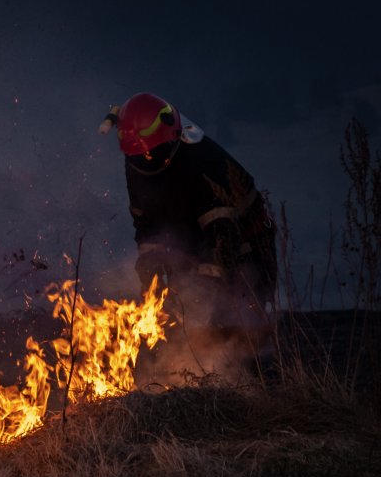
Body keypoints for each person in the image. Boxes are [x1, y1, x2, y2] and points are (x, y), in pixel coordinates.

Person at [99, 93, 277, 337]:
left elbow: (222, 239)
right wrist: (150, 272)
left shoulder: (204, 163)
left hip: (245, 246)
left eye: (150, 154)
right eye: (138, 156)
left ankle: (244, 362)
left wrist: (203, 298)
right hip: (189, 240)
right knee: (182, 320)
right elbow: (147, 224)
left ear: (170, 139)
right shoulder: (137, 159)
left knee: (238, 327)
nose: (145, 160)